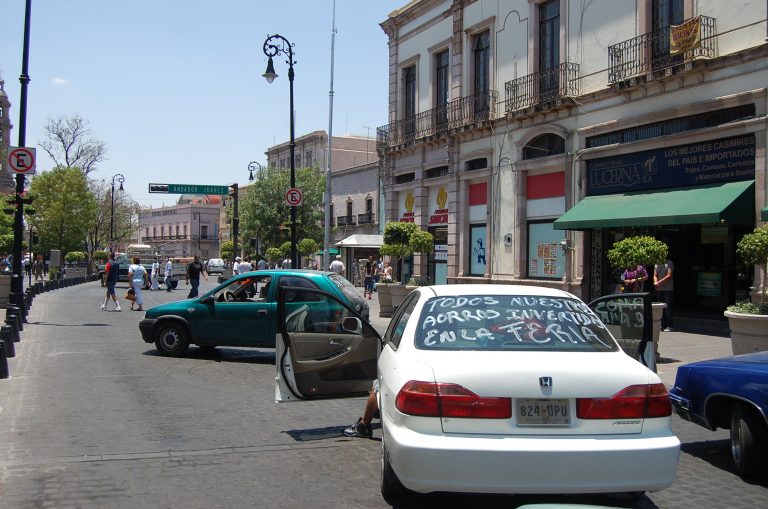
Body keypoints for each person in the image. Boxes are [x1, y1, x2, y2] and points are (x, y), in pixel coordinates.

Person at [654, 258, 675, 332]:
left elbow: (669, 275)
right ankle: (662, 325)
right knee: (661, 307)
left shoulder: (669, 262)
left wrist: (658, 283)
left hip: (668, 289)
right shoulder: (656, 263)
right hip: (659, 289)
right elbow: (655, 275)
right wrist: (656, 283)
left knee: (668, 308)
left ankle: (670, 326)